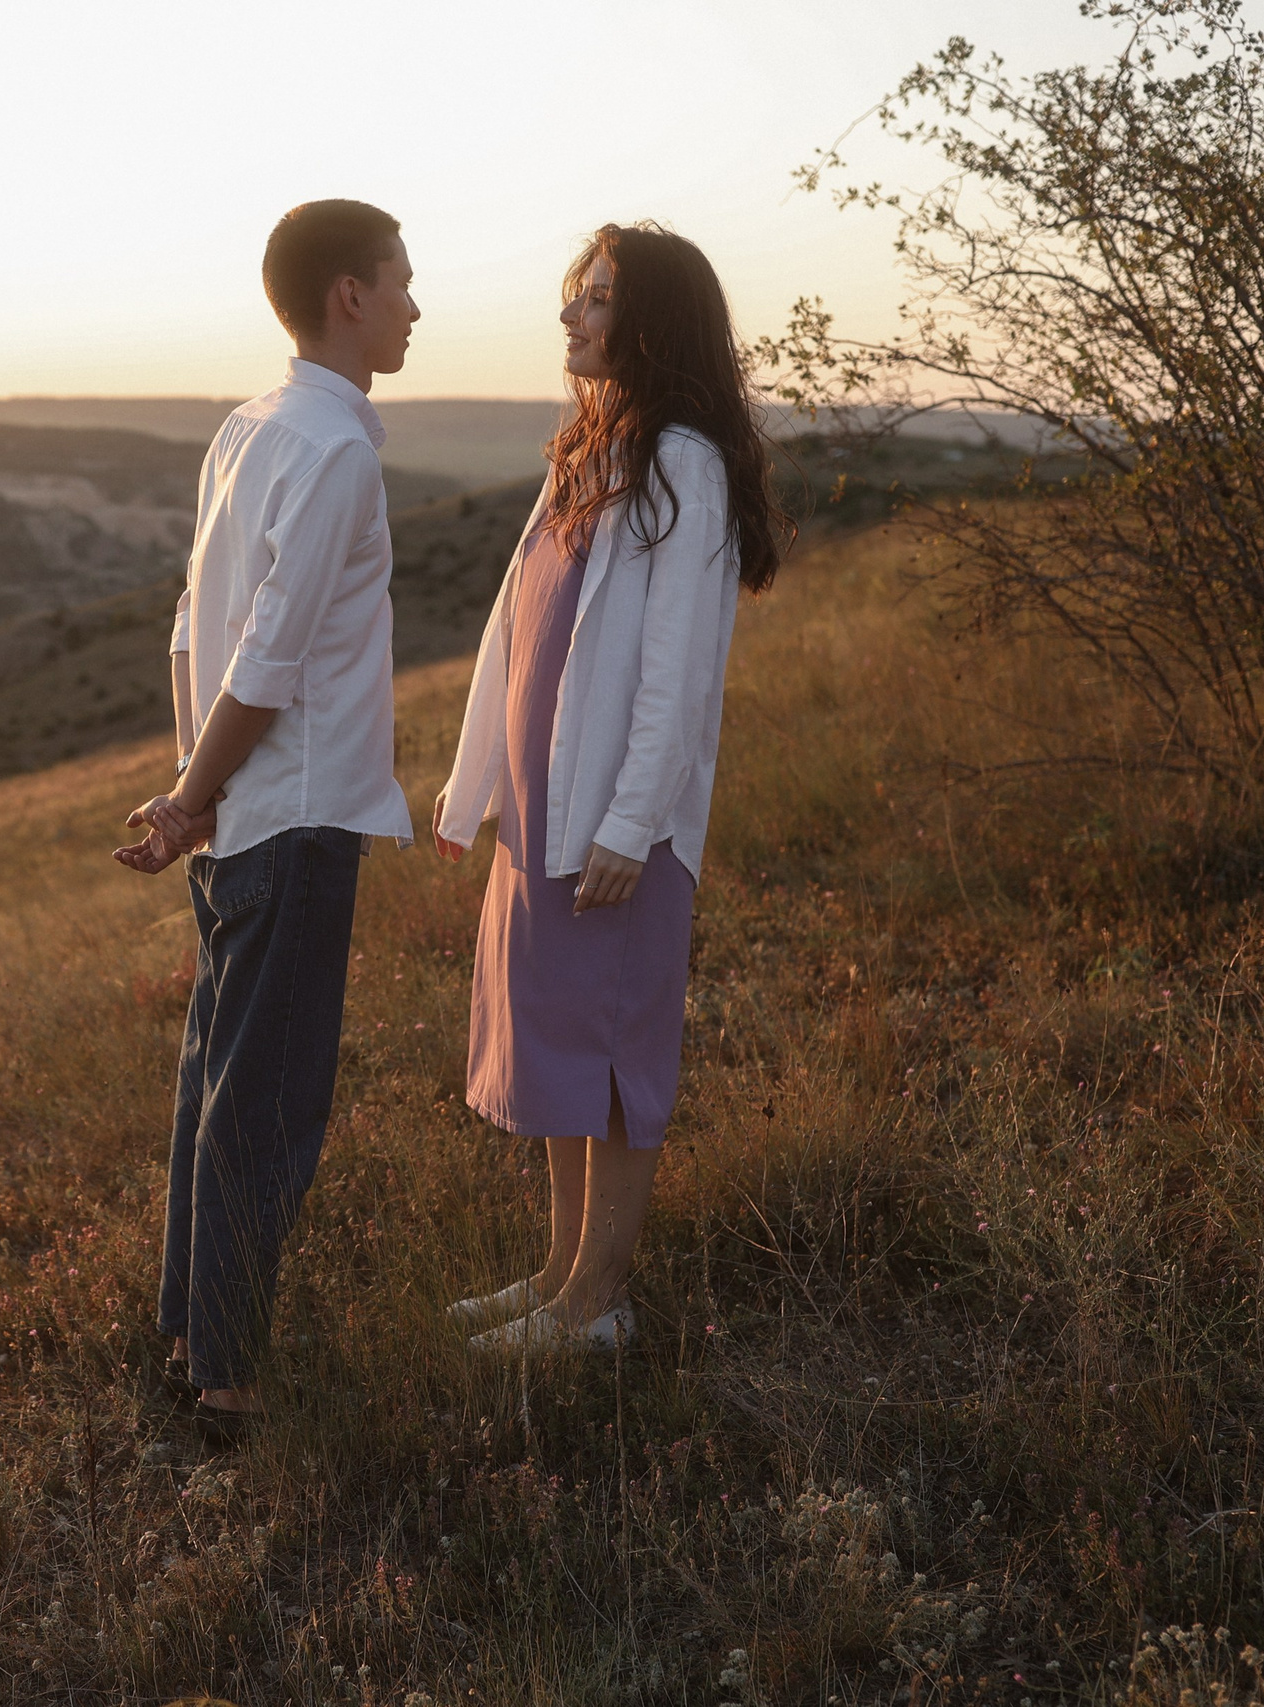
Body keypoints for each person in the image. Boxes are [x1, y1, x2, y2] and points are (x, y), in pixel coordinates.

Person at [432, 222, 787, 1351]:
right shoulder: (590, 450)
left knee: (616, 1046)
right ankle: (559, 1273)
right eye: (573, 294)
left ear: (652, 320)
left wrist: (633, 822)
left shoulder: (681, 458)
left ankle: (599, 1304)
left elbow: (677, 674)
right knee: (559, 1036)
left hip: (616, 814)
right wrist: (476, 784)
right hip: (547, 800)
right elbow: (513, 634)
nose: (570, 314)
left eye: (596, 299)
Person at [113, 198, 419, 1446]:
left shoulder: (248, 428)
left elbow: (195, 626)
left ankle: (190, 1335)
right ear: (345, 295)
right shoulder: (336, 449)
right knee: (268, 1106)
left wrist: (194, 794)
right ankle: (228, 1392)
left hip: (241, 812)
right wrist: (193, 796)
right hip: (288, 816)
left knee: (213, 1083)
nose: (413, 303)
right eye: (400, 279)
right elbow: (268, 652)